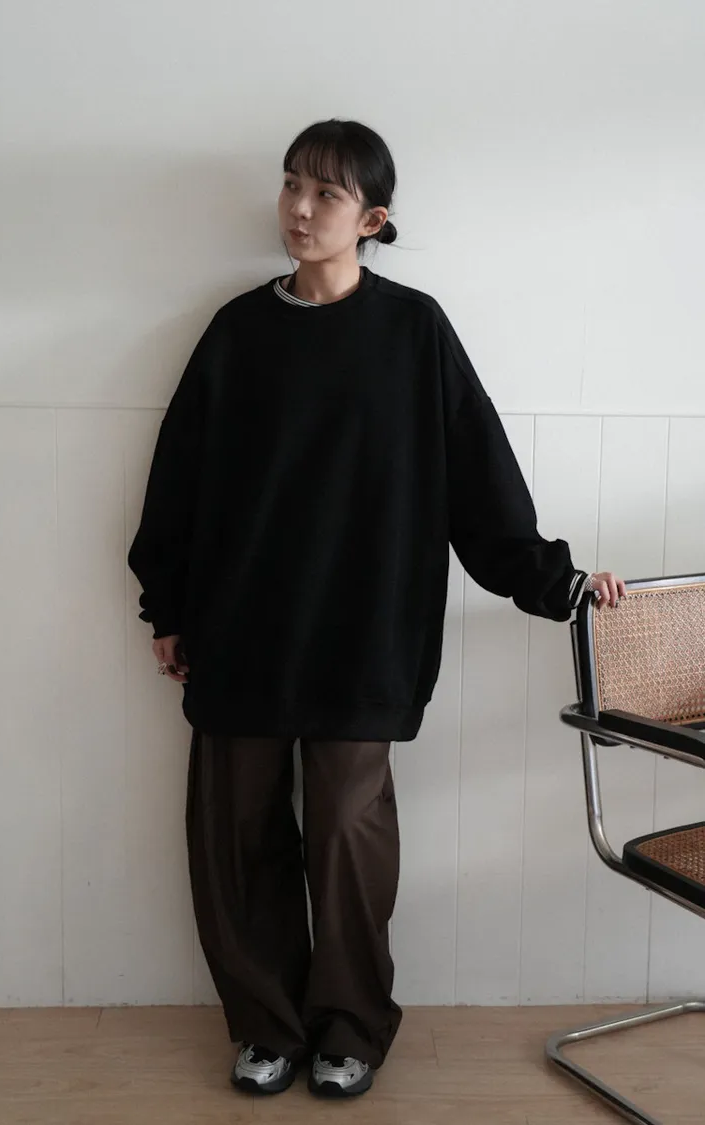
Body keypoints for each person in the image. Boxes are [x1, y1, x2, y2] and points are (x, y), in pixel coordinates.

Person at [127, 118, 625, 1100]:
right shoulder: (237, 332)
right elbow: (178, 484)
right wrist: (168, 607)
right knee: (238, 834)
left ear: (372, 218)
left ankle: (349, 1025)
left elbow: (480, 483)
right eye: (291, 185)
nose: (300, 208)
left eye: (327, 193)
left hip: (364, 632)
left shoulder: (413, 332)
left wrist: (555, 580)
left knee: (348, 833)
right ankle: (266, 1026)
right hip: (241, 630)